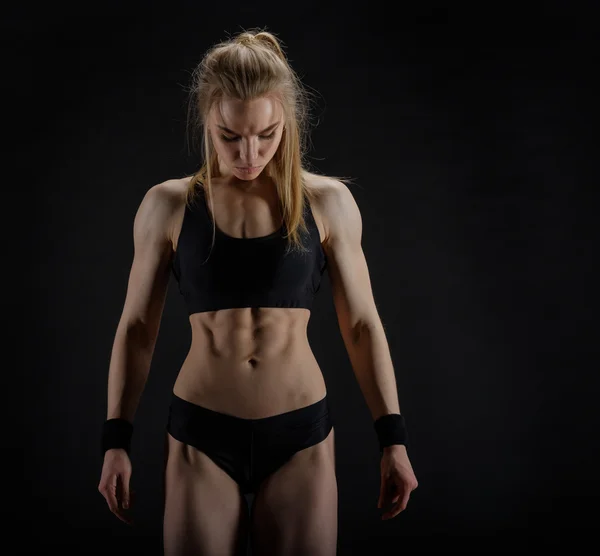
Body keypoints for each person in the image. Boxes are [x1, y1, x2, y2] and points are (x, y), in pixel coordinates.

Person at [97, 28, 418, 556]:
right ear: (207, 120)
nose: (250, 153)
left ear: (287, 122)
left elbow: (362, 326)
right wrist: (115, 442)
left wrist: (394, 439)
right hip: (201, 434)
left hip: (300, 435)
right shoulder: (168, 205)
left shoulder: (328, 202)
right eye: (231, 136)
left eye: (267, 135)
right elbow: (136, 329)